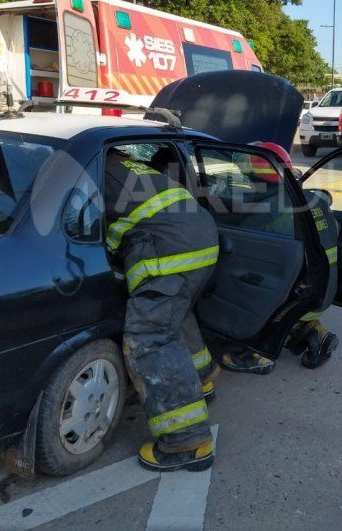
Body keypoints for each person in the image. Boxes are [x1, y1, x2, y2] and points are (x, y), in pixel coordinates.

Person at [105, 146, 220, 472]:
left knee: (150, 337)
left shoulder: (88, 173)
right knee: (176, 314)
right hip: (201, 236)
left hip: (170, 248)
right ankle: (203, 379)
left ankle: (188, 440)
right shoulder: (128, 165)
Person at [220, 142, 339, 375]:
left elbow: (238, 239)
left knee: (240, 278)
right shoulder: (314, 200)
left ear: (261, 180)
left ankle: (260, 353)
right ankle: (315, 333)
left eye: (250, 178)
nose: (249, 184)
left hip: (292, 300)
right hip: (324, 292)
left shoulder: (268, 210)